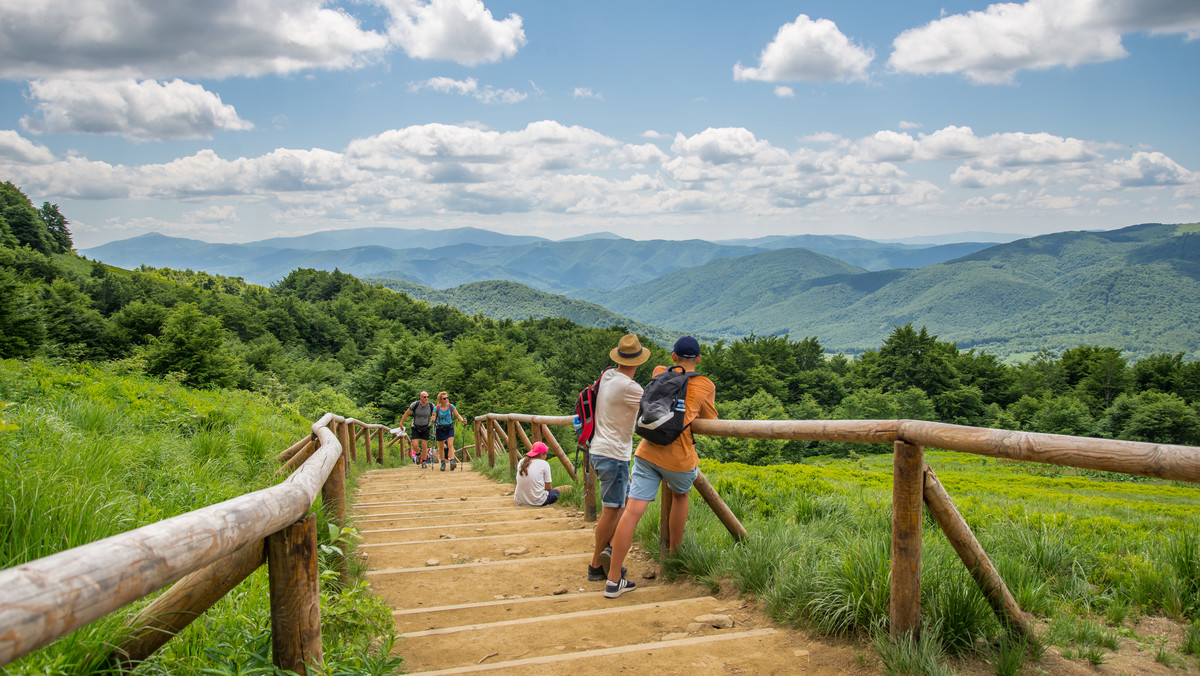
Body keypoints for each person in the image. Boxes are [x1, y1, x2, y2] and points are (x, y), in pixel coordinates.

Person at [605, 336, 716, 598]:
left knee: (632, 511)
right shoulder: (705, 384)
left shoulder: (658, 373)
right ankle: (674, 557)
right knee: (681, 495)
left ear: (673, 356)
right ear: (698, 359)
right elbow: (711, 418)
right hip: (679, 458)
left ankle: (613, 579)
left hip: (647, 451)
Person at [587, 334, 650, 582]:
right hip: (614, 455)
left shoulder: (609, 375)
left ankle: (609, 552)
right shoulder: (630, 388)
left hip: (598, 449)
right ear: (639, 361)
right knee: (612, 511)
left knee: (621, 507)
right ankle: (596, 564)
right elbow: (655, 409)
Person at [514, 442, 574, 506]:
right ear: (542, 454)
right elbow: (548, 487)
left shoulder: (522, 461)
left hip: (519, 500)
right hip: (538, 501)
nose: (546, 456)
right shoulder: (544, 464)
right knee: (569, 488)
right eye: (546, 454)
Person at [398, 392, 435, 468]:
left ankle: (424, 462)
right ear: (420, 397)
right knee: (415, 445)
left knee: (424, 445)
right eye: (424, 397)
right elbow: (406, 413)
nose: (426, 398)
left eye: (427, 397)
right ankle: (418, 454)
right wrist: (401, 423)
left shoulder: (430, 405)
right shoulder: (415, 404)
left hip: (426, 427)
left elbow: (435, 413)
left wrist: (434, 418)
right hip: (415, 427)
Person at [433, 391, 467, 471]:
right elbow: (433, 415)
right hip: (440, 428)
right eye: (444, 398)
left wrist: (462, 420)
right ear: (440, 399)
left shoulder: (451, 406)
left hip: (449, 427)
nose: (446, 399)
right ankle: (443, 462)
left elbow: (457, 415)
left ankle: (452, 461)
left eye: (447, 398)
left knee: (450, 444)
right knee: (441, 447)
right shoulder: (437, 408)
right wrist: (433, 419)